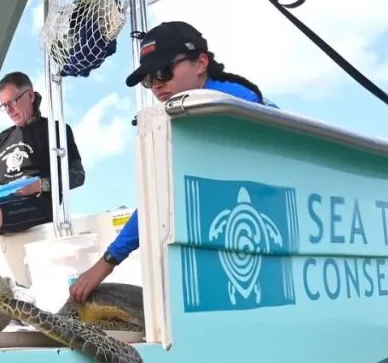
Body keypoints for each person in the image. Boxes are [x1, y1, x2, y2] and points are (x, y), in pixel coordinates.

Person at [69, 21, 279, 302]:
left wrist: (106, 262)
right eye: (148, 79)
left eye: (163, 71)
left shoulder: (233, 104)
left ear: (201, 62)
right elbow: (159, 195)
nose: (156, 85)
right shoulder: (183, 118)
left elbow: (160, 198)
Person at [0, 71, 85, 258]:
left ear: (30, 95)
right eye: (4, 106)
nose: (9, 110)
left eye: (12, 102)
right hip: (0, 204)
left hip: (36, 203)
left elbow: (78, 175)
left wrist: (40, 185)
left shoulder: (55, 130)